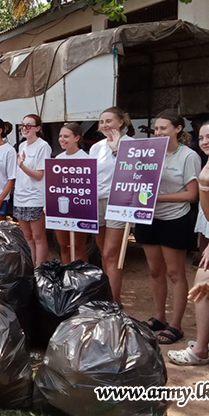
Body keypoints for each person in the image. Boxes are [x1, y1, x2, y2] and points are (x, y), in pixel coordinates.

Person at [135, 110, 200, 345]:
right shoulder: (149, 153)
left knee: (175, 273)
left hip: (175, 219)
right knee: (155, 271)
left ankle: (176, 325)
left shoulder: (188, 156)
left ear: (178, 129)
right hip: (147, 217)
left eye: (164, 128)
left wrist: (158, 198)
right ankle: (159, 317)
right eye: (157, 129)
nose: (159, 132)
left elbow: (193, 194)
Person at [168, 120, 209, 365]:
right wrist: (205, 185)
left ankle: (202, 349)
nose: (204, 141)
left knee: (204, 289)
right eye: (201, 137)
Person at [89, 107, 133, 304]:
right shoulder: (96, 147)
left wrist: (116, 150)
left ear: (121, 122)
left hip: (120, 202)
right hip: (97, 200)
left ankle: (114, 302)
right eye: (102, 122)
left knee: (111, 253)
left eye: (109, 121)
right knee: (103, 253)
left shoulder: (132, 145)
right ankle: (108, 296)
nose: (105, 125)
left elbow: (132, 173)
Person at [14, 114, 52, 266]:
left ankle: (40, 268)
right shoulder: (22, 145)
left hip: (35, 197)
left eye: (29, 125)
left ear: (37, 128)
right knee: (27, 237)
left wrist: (22, 166)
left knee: (38, 237)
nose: (25, 129)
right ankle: (32, 266)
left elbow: (39, 175)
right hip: (20, 196)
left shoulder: (43, 146)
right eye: (23, 125)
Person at [55, 123, 90, 263]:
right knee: (64, 246)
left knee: (78, 247)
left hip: (79, 208)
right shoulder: (58, 159)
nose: (62, 139)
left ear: (77, 138)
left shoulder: (86, 159)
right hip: (61, 208)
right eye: (60, 136)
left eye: (66, 136)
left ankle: (83, 280)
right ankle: (66, 278)